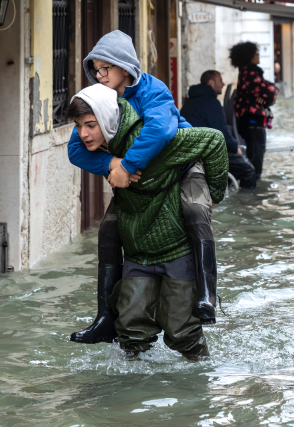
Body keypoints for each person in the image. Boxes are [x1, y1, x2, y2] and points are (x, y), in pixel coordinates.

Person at [68, 31, 220, 345]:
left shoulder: (153, 89)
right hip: (137, 177)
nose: (99, 75)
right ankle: (105, 318)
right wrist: (111, 165)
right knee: (108, 230)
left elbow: (161, 129)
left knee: (194, 210)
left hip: (182, 161)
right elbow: (75, 150)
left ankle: (207, 294)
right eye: (95, 70)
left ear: (124, 67)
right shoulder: (100, 100)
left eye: (104, 69)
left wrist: (126, 165)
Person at [180, 70, 256, 188]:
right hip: (206, 153)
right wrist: (236, 148)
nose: (223, 84)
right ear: (211, 83)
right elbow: (221, 133)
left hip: (190, 152)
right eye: (220, 80)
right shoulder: (211, 103)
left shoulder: (190, 101)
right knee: (249, 171)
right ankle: (246, 203)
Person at [230, 42, 277, 182]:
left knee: (253, 157)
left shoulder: (245, 72)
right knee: (255, 161)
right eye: (256, 53)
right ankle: (251, 192)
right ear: (249, 56)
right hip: (253, 122)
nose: (258, 55)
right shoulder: (250, 73)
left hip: (249, 121)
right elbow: (270, 93)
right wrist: (272, 91)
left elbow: (267, 96)